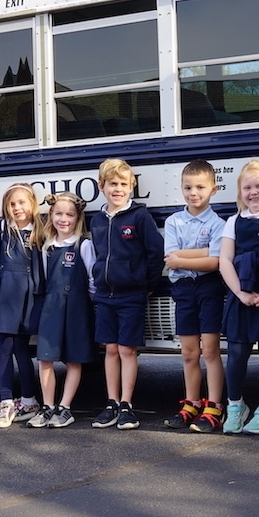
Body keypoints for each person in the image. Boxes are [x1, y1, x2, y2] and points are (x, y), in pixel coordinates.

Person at [90, 158, 164, 430]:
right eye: (112, 184)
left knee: (126, 349)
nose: (117, 189)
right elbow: (98, 256)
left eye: (123, 184)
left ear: (132, 186)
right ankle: (110, 402)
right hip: (105, 295)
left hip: (132, 294)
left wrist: (148, 284)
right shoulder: (97, 220)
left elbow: (156, 252)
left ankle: (126, 404)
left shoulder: (139, 217)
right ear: (102, 186)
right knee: (109, 349)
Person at [161, 160, 227, 433]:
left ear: (213, 189)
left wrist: (184, 257)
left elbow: (215, 262)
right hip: (184, 291)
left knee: (210, 350)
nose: (193, 193)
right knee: (189, 353)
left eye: (200, 187)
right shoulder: (173, 221)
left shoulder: (218, 223)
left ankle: (214, 407)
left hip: (209, 287)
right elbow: (169, 258)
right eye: (188, 187)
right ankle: (191, 403)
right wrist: (204, 253)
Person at [219, 160, 259, 436]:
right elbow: (224, 260)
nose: (254, 192)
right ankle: (235, 406)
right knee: (236, 353)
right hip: (242, 296)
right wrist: (240, 293)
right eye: (247, 187)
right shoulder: (234, 222)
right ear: (239, 192)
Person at [27, 192, 97, 429]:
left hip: (77, 308)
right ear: (51, 216)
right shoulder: (47, 246)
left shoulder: (84, 245)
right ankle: (47, 406)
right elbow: (46, 279)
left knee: (74, 360)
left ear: (78, 218)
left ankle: (65, 407)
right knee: (45, 359)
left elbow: (92, 279)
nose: (63, 219)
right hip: (52, 308)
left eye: (69, 214)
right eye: (58, 213)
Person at [0, 183, 44, 429]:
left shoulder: (38, 228)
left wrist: (41, 293)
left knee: (21, 349)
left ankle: (29, 400)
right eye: (12, 204)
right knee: (3, 349)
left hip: (28, 294)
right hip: (5, 293)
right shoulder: (2, 229)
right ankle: (6, 401)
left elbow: (42, 266)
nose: (17, 208)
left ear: (32, 204)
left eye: (22, 202)